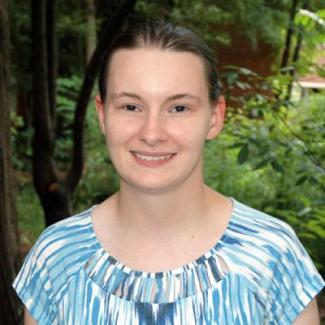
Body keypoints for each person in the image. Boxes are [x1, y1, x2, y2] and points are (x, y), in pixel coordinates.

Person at [13, 21, 324, 325]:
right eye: (131, 107)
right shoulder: (57, 257)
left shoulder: (272, 254)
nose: (152, 133)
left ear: (215, 117)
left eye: (179, 108)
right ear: (103, 114)